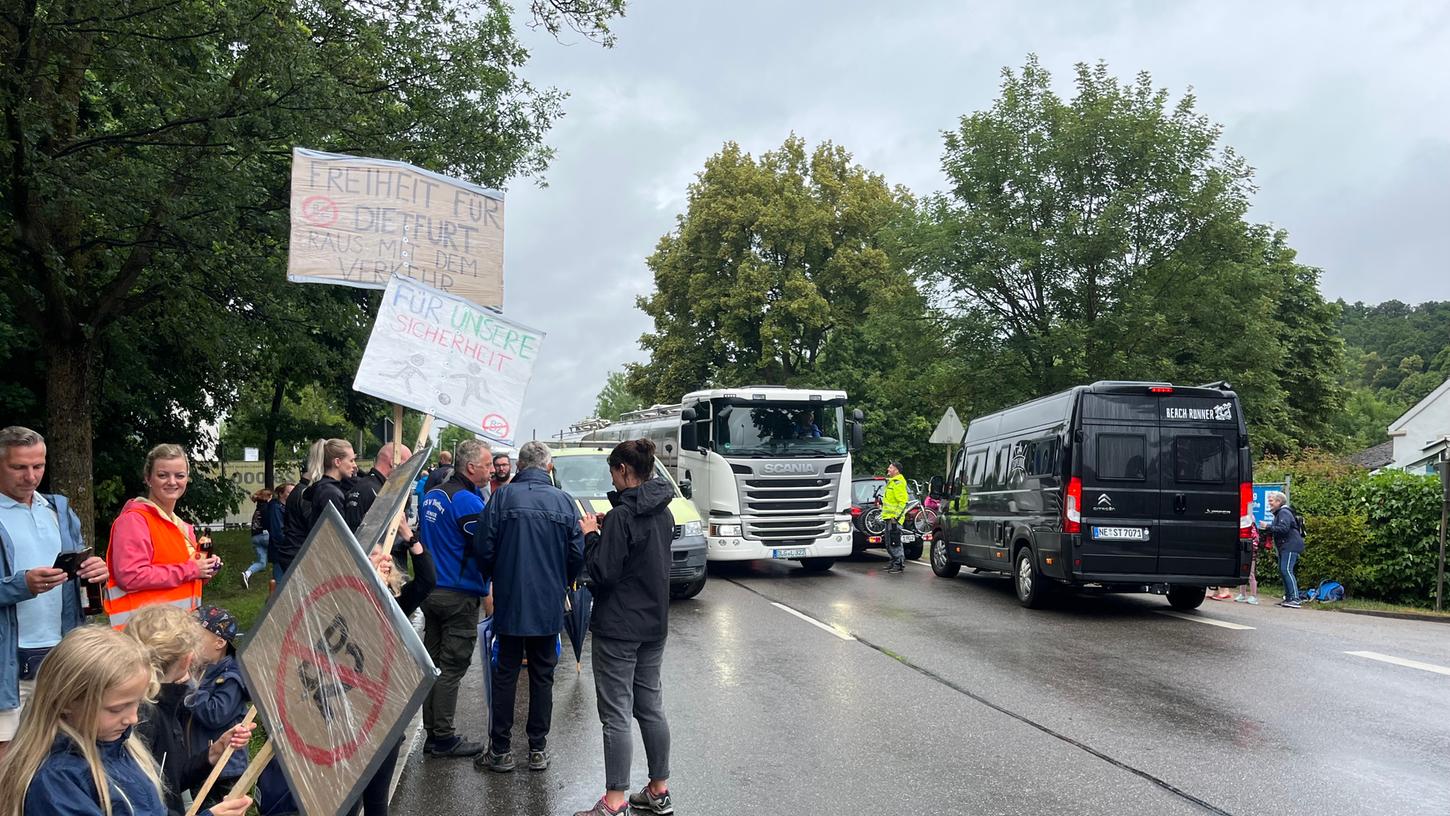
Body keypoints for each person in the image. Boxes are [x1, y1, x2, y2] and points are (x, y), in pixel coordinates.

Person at [0, 626, 253, 816]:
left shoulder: (119, 745)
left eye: (137, 703)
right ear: (66, 701)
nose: (133, 718)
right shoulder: (56, 783)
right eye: (116, 709)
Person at [572, 439, 673, 816]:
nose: (612, 480)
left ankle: (614, 802)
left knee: (615, 713)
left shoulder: (621, 518)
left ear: (625, 471)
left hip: (618, 628)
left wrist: (591, 535)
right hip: (654, 625)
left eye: (613, 472)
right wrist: (607, 530)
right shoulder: (664, 512)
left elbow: (603, 572)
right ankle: (658, 790)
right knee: (650, 707)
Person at [473, 441, 584, 774]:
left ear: (519, 466)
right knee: (542, 675)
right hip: (548, 602)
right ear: (548, 467)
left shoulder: (502, 499)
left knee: (505, 673)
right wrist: (561, 580)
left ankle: (501, 750)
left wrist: (495, 575)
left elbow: (483, 547)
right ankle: (537, 748)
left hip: (510, 599)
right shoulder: (564, 502)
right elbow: (577, 554)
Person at [0, 426, 108, 759]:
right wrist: (22, 585)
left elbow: (77, 567)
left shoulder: (57, 510)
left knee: (61, 755)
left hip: (61, 652)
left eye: (38, 466)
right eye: (18, 467)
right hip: (7, 663)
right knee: (8, 764)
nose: (31, 476)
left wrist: (95, 573)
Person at [123, 605, 253, 816]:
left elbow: (170, 779)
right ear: (186, 660)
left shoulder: (148, 706)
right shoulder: (144, 718)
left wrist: (212, 753)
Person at [346, 523, 437, 816]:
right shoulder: (346, 599)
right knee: (347, 800)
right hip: (350, 718)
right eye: (374, 554)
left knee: (377, 803)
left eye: (385, 555)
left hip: (383, 717)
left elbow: (427, 580)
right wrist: (367, 576)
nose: (384, 558)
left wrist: (409, 537)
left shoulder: (396, 602)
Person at [418, 438, 491, 757]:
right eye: (488, 465)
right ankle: (443, 737)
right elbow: (485, 548)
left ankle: (433, 732)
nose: (492, 470)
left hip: (430, 589)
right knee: (452, 667)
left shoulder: (433, 494)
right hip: (457, 593)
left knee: (433, 665)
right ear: (471, 467)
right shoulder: (467, 502)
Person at [103, 444, 219, 629]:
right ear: (148, 478)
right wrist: (191, 569)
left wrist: (205, 569)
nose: (172, 482)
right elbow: (130, 577)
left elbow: (186, 575)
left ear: (187, 479)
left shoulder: (183, 527)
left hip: (178, 631)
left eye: (179, 475)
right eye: (163, 475)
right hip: (142, 634)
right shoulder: (134, 520)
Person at [188, 606, 248, 804]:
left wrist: (192, 687)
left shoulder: (231, 677)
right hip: (202, 761)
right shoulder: (203, 668)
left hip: (225, 768)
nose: (189, 643)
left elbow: (215, 715)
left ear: (219, 642)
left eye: (195, 638)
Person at [278, 440, 327, 579]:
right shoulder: (306, 494)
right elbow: (315, 528)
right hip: (299, 555)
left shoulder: (300, 491)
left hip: (294, 553)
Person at [343, 443, 413, 530]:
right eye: (407, 465)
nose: (409, 471)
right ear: (393, 462)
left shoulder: (377, 487)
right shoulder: (373, 490)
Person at [1262, 490, 1305, 608]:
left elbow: (1283, 528)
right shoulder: (1280, 513)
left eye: (1272, 501)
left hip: (1290, 545)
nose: (1269, 503)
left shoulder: (1284, 512)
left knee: (1286, 570)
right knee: (1283, 570)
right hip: (1285, 546)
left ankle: (1295, 598)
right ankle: (1289, 597)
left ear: (1279, 501)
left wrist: (1268, 527)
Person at [304, 438, 357, 532]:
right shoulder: (331, 493)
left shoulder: (323, 488)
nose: (355, 465)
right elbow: (340, 532)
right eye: (351, 460)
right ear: (337, 462)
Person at [880, 462, 909, 573]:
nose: (888, 469)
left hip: (894, 519)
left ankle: (899, 564)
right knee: (889, 542)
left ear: (896, 470)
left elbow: (903, 501)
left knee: (895, 542)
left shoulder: (898, 483)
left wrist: (896, 517)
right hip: (888, 517)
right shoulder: (892, 482)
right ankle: (893, 562)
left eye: (891, 467)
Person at [242, 488, 272, 589]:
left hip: (255, 537)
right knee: (282, 547)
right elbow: (267, 523)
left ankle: (247, 573)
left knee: (262, 563)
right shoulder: (266, 508)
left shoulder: (258, 509)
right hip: (264, 536)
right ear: (268, 497)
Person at [1234, 521, 1263, 605]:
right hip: (1241, 552)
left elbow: (1255, 540)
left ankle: (1253, 596)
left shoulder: (1252, 527)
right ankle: (1242, 594)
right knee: (1242, 573)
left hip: (1250, 553)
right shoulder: (1242, 525)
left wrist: (1251, 549)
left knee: (1251, 574)